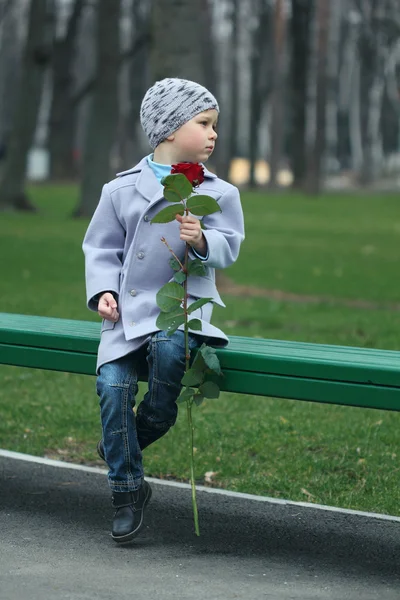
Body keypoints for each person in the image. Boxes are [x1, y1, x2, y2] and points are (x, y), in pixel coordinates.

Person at [82, 78, 245, 543]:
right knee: (112, 388)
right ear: (170, 129)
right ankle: (127, 491)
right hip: (124, 318)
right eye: (204, 123)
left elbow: (229, 248)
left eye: (215, 125)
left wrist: (201, 240)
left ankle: (131, 436)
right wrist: (102, 293)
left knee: (172, 354)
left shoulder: (218, 193)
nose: (214, 134)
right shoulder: (120, 190)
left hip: (182, 311)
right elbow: (100, 248)